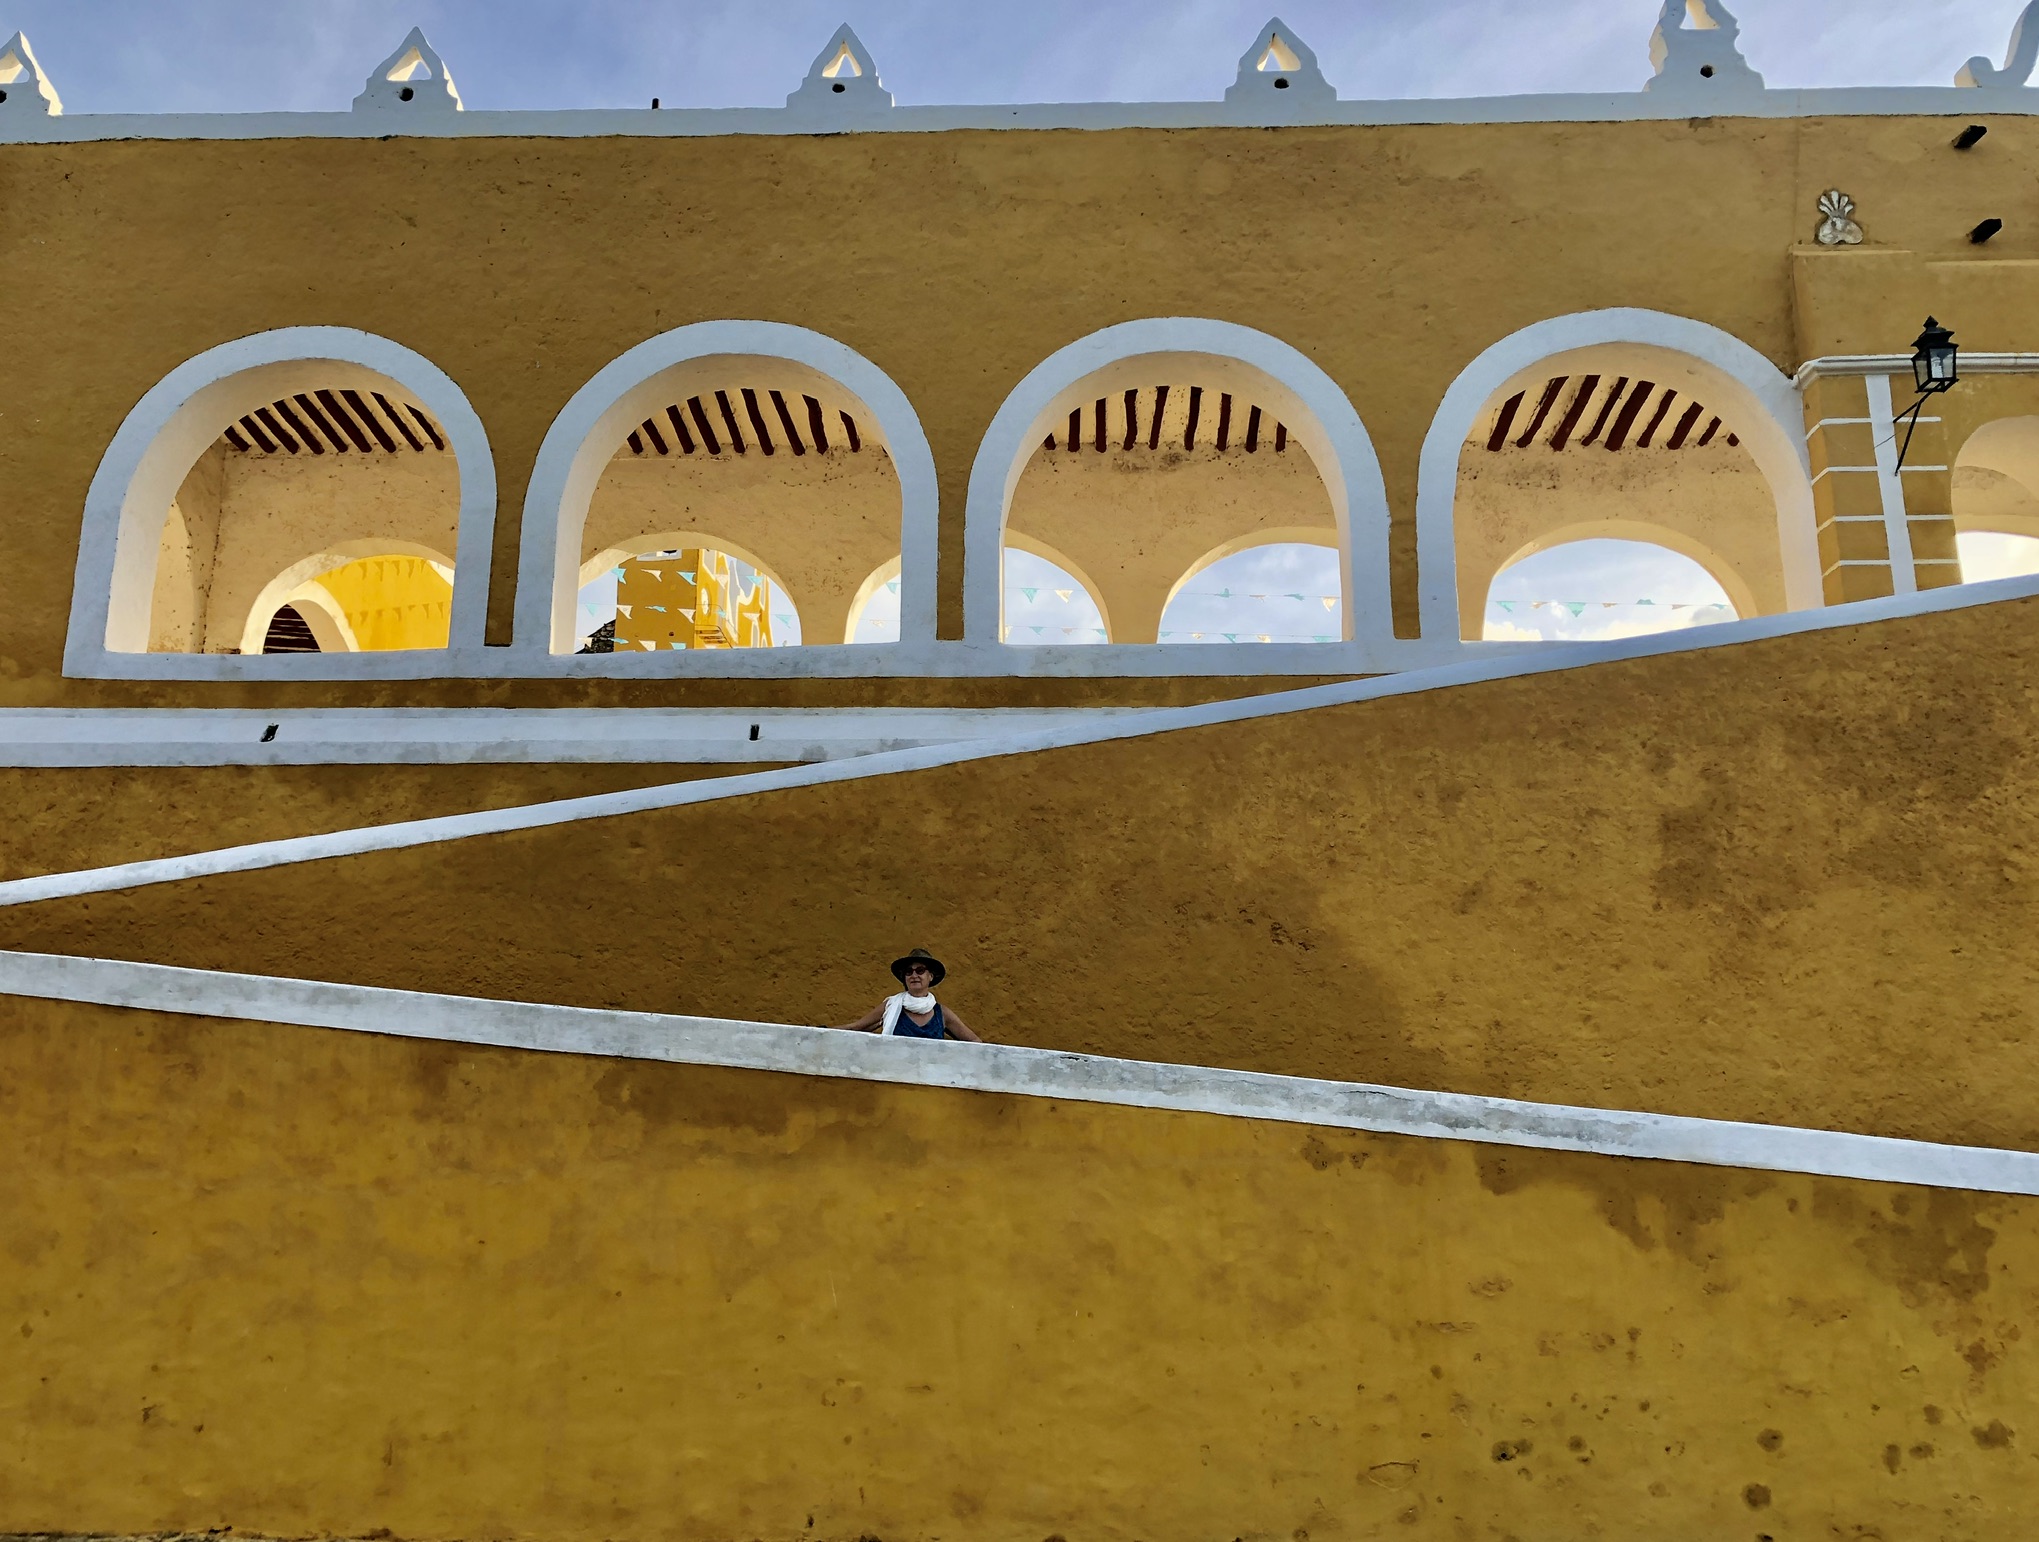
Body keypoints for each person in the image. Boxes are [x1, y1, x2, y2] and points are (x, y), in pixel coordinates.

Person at [829, 948, 986, 1042]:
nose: (914, 975)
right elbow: (858, 1027)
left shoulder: (942, 1013)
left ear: (930, 976)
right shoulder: (891, 1006)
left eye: (920, 970)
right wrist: (823, 1032)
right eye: (909, 972)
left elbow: (974, 1042)